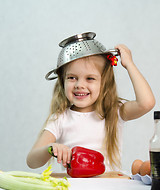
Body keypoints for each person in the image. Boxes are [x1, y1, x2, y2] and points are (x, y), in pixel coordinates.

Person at [26, 32, 155, 172]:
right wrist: (50, 148)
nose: (79, 85)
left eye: (90, 78)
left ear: (104, 82)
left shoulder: (114, 111)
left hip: (109, 188)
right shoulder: (60, 119)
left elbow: (146, 103)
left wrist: (129, 64)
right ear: (62, 81)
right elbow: (32, 161)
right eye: (72, 78)